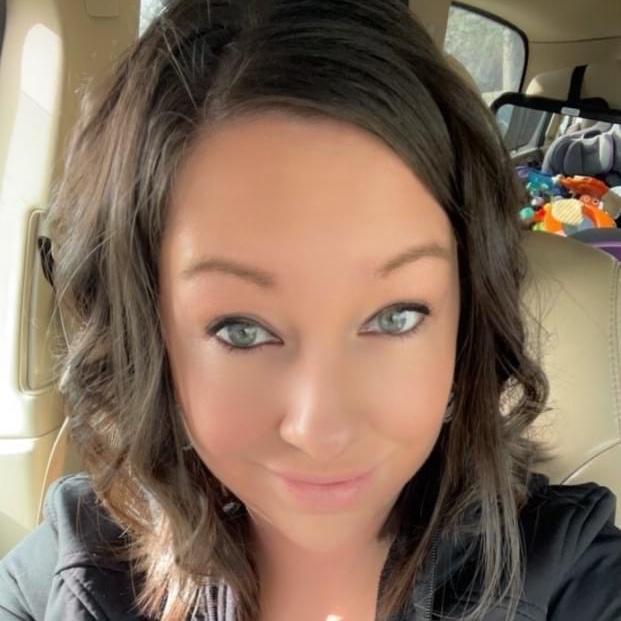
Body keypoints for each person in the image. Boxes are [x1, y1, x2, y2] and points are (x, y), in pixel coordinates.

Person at [1, 0, 620, 620]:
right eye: (241, 330)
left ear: (466, 325)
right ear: (152, 332)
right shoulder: (73, 570)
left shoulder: (568, 576)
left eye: (396, 317)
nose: (321, 431)